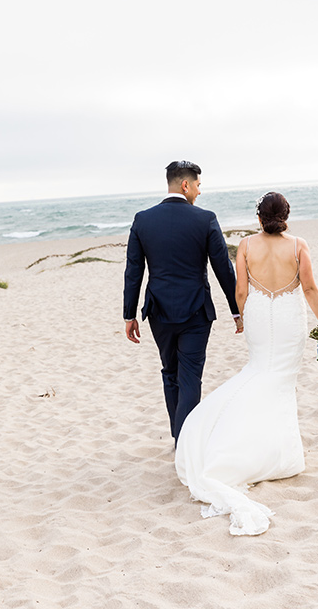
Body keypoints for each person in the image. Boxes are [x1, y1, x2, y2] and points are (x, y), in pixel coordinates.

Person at [175, 191, 318, 535]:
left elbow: (241, 291)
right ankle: (273, 453)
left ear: (259, 216)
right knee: (279, 383)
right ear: (286, 215)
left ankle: (256, 444)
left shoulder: (246, 246)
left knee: (259, 373)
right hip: (290, 318)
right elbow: (309, 288)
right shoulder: (298, 245)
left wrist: (241, 318)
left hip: (261, 316)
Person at [123, 161, 243, 444]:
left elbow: (133, 271)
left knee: (170, 372)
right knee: (190, 376)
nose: (200, 192)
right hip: (196, 311)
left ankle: (180, 436)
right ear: (186, 185)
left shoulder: (143, 219)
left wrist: (130, 315)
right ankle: (187, 442)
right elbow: (223, 268)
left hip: (158, 311)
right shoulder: (205, 219)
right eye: (199, 185)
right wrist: (236, 309)